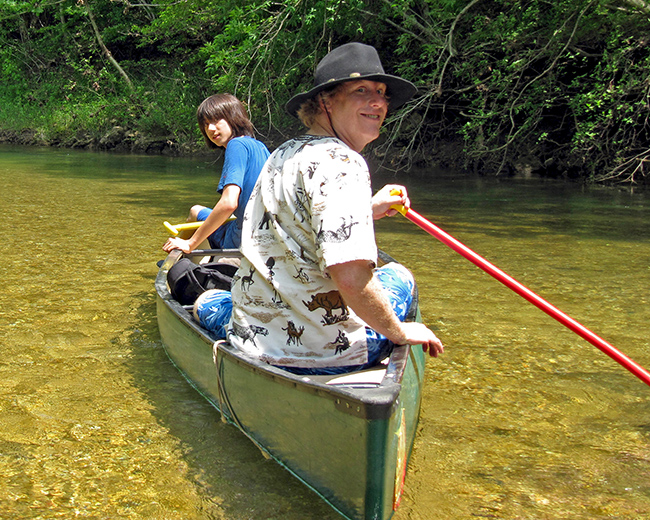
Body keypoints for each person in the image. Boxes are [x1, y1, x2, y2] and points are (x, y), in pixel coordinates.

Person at [196, 43, 444, 374]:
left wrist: (366, 208)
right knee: (400, 275)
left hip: (252, 342)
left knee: (206, 301)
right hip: (326, 357)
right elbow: (353, 278)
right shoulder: (345, 164)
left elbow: (296, 224)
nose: (379, 102)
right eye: (361, 90)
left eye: (382, 93)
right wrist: (399, 332)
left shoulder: (284, 153)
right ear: (326, 101)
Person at [163, 93, 270, 253]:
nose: (210, 129)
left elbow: (228, 203)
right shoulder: (260, 146)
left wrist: (191, 243)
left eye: (216, 120)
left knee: (194, 213)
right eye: (206, 124)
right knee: (196, 211)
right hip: (266, 235)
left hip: (243, 238)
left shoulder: (236, 145)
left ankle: (181, 254)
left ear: (233, 117)